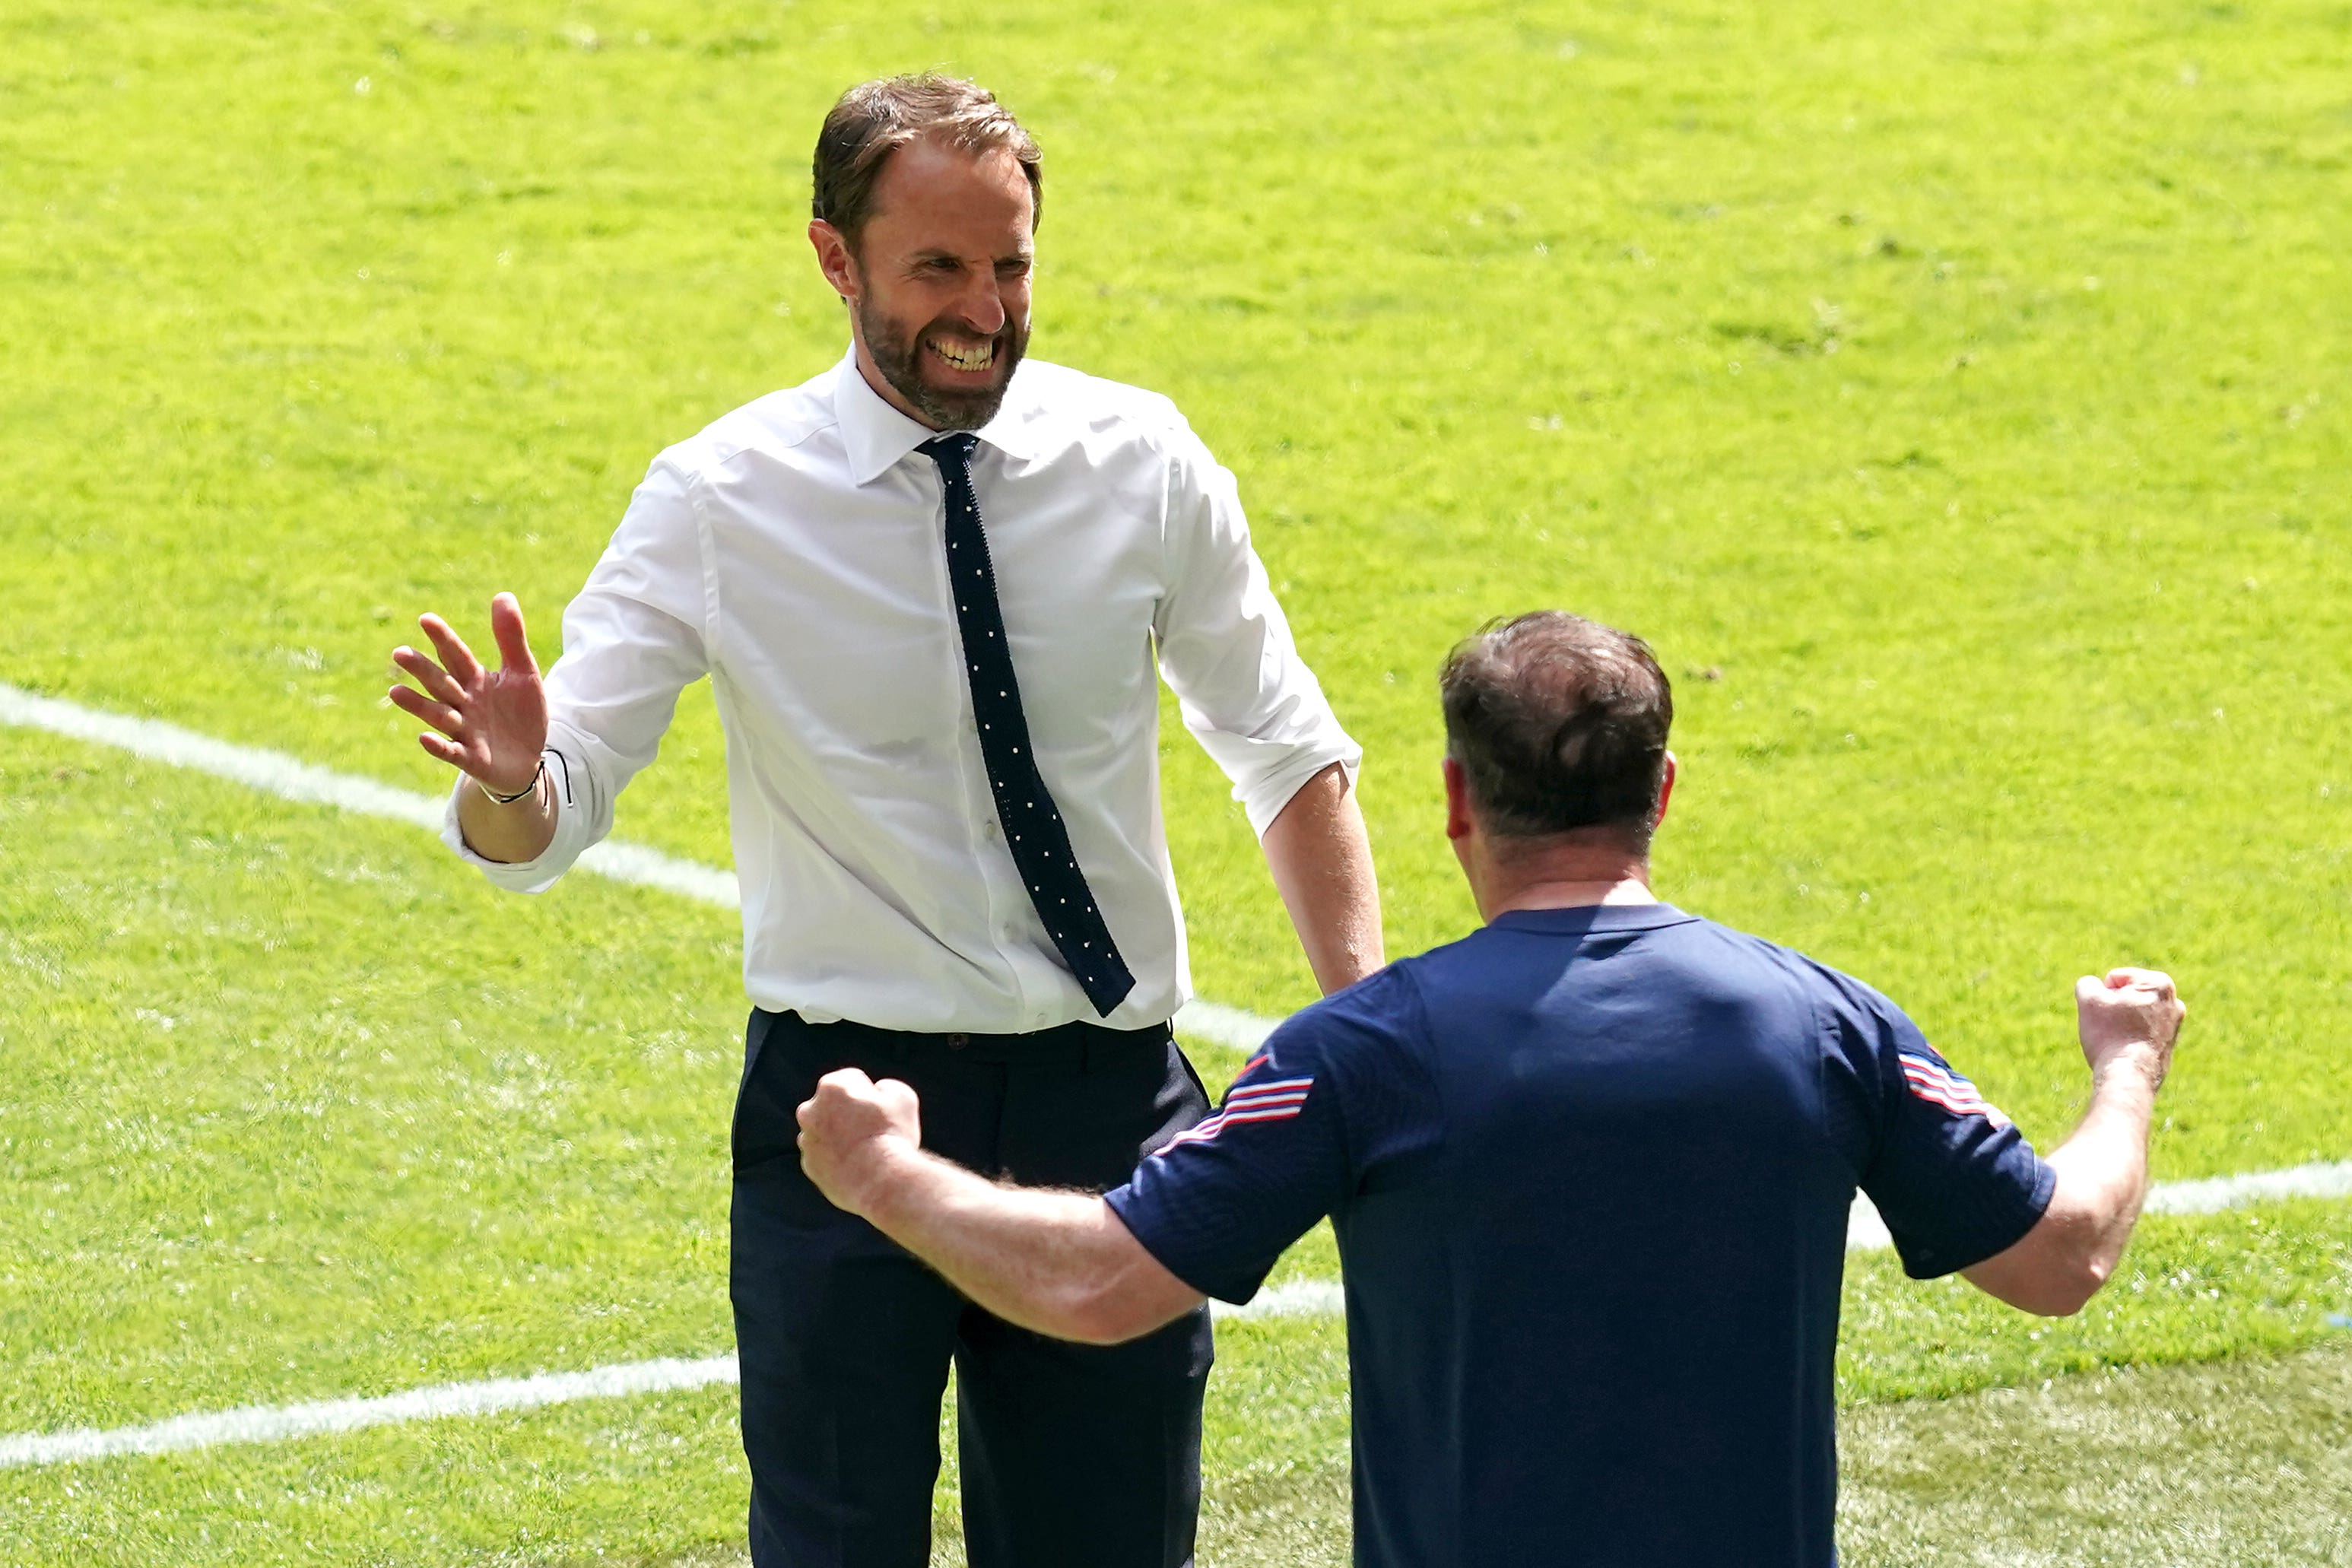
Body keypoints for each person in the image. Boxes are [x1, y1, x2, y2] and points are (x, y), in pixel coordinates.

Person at [386, 74, 1383, 1568]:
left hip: (1104, 1106)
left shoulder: (1144, 459)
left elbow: (1286, 750)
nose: (984, 310)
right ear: (831, 257)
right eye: (937, 270)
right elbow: (546, 820)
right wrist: (516, 774)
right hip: (838, 1108)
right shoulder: (718, 498)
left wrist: (1367, 1031)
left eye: (1011, 265)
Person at [795, 610, 2188, 1568]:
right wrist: (2122, 1073)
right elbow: (2064, 1254)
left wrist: (886, 1175)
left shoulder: (1362, 1053)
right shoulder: (1819, 1024)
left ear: (1456, 798)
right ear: (1664, 789)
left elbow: (1103, 1285)